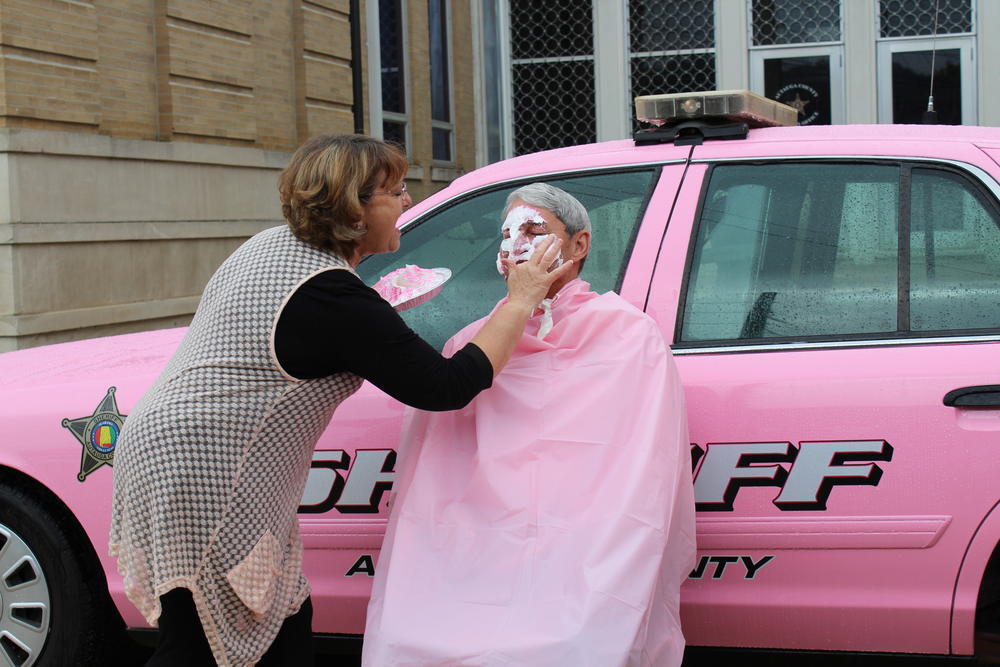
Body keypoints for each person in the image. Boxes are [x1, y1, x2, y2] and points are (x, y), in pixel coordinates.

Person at [109, 136, 573, 667]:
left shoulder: (270, 245)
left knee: (280, 624)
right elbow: (445, 386)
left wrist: (380, 309)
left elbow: (315, 331)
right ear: (354, 208)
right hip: (207, 474)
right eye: (394, 192)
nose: (406, 202)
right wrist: (521, 299)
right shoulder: (332, 296)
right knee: (202, 643)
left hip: (160, 450)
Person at [363, 183, 697, 666]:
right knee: (414, 635)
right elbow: (431, 481)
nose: (514, 244)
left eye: (535, 230)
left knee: (576, 642)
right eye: (505, 234)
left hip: (583, 555)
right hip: (473, 555)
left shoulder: (626, 335)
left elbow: (645, 476)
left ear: (579, 245)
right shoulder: (470, 343)